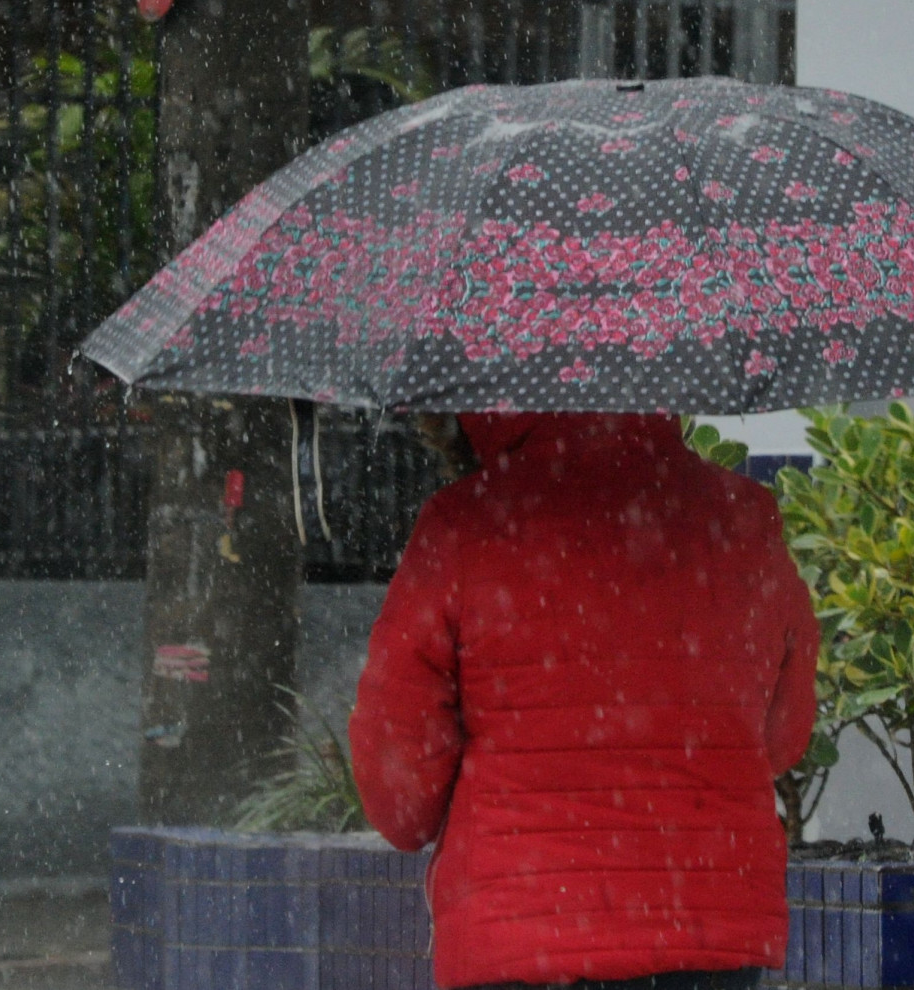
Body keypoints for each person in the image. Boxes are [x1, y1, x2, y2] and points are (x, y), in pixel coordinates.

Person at [349, 412, 819, 990]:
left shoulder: (465, 525)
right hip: (708, 932)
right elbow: (783, 735)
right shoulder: (742, 518)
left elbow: (399, 787)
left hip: (520, 935)